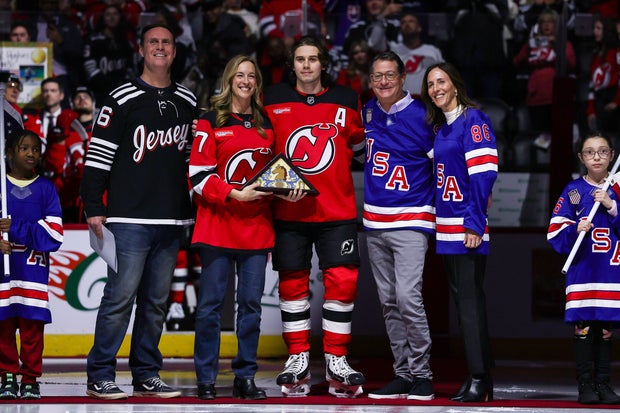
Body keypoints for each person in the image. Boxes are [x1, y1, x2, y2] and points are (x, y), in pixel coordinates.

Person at [80, 23, 197, 400]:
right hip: (129, 219)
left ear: (174, 52)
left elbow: (194, 162)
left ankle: (146, 372)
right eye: (153, 42)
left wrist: (192, 212)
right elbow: (97, 155)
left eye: (166, 42)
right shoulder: (121, 97)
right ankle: (100, 374)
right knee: (118, 299)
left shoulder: (188, 101)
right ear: (142, 50)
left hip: (172, 218)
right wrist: (95, 206)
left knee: (156, 303)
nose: (160, 48)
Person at [190, 54, 304, 401]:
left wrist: (288, 192)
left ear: (257, 83)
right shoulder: (209, 121)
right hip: (217, 227)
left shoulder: (266, 123)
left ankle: (245, 376)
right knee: (210, 307)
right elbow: (196, 177)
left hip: (256, 230)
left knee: (251, 307)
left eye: (251, 76)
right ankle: (206, 377)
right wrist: (234, 193)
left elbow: (274, 174)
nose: (245, 80)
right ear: (229, 80)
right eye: (239, 75)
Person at [262, 35, 366, 398]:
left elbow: (358, 149)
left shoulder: (346, 99)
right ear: (292, 65)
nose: (306, 65)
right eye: (300, 59)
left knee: (342, 283)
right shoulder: (272, 98)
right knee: (292, 285)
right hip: (289, 212)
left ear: (324, 63)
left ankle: (337, 358)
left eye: (313, 59)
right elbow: (262, 151)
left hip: (336, 211)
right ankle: (298, 358)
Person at [421, 62, 498, 402]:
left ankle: (481, 377)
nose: (436, 88)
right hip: (446, 228)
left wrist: (474, 223)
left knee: (470, 305)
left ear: (455, 84)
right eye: (430, 84)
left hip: (467, 227)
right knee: (464, 305)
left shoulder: (473, 120)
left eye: (441, 81)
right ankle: (477, 376)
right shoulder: (441, 128)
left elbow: (483, 177)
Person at [362, 51, 435, 401]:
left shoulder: (423, 115)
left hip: (411, 219)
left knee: (408, 298)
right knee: (389, 302)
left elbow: (446, 163)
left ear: (404, 77)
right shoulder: (368, 111)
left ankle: (422, 375)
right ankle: (403, 373)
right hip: (374, 221)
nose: (384, 82)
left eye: (390, 75)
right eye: (377, 76)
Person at [547, 133, 620, 405]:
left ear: (611, 155)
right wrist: (573, 228)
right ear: (581, 157)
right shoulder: (573, 191)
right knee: (584, 328)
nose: (597, 157)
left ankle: (604, 382)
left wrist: (613, 207)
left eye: (603, 151)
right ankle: (585, 384)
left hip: (611, 274)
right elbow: (554, 233)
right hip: (583, 274)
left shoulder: (618, 190)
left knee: (605, 330)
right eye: (590, 152)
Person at [0, 129, 63, 400]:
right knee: (2, 329)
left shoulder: (46, 189)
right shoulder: (0, 188)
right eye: (24, 148)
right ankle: (7, 375)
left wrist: (16, 228)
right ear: (10, 153)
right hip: (4, 275)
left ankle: (30, 378)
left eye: (35, 149)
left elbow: (54, 235)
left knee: (32, 330)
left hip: (32, 274)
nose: (30, 153)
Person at [23, 77, 85, 223]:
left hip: (65, 191)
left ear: (61, 95)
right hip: (36, 186)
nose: (49, 94)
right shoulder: (32, 120)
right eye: (45, 91)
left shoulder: (73, 121)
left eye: (53, 91)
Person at [512, 8, 576, 150]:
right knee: (539, 137)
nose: (546, 25)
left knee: (558, 137)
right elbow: (516, 61)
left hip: (556, 97)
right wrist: (529, 45)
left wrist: (556, 44)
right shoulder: (533, 43)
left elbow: (571, 64)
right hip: (536, 97)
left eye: (550, 22)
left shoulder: (563, 43)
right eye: (543, 22)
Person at [388, 11, 444, 98]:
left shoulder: (432, 51)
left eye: (411, 21)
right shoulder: (393, 50)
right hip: (399, 101)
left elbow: (443, 77)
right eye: (403, 22)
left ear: (419, 28)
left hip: (426, 102)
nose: (407, 24)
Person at [585, 16, 620, 136]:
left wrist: (617, 101)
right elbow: (591, 83)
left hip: (613, 99)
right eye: (595, 28)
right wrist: (590, 109)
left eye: (598, 28)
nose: (594, 31)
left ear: (607, 31)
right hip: (599, 100)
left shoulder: (617, 51)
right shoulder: (595, 54)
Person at [336, 39, 374, 106]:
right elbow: (339, 96)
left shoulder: (375, 73)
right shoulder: (345, 74)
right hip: (353, 111)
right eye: (356, 53)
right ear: (352, 56)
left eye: (362, 51)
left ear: (368, 53)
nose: (359, 55)